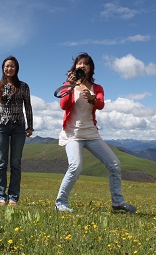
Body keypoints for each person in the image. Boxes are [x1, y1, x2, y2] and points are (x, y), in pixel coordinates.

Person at [54, 52, 136, 213]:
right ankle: (61, 203)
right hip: (72, 135)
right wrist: (69, 86)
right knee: (75, 166)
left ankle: (118, 202)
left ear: (90, 68)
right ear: (75, 67)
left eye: (85, 63)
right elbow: (63, 106)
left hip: (91, 134)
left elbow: (100, 104)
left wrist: (92, 98)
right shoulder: (68, 84)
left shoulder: (97, 88)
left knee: (114, 164)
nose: (82, 66)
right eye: (79, 63)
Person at [0, 56, 33, 206]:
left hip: (19, 126)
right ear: (3, 68)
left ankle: (13, 197)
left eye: (12, 66)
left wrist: (30, 126)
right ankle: (1, 196)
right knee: (1, 162)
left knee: (15, 162)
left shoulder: (24, 86)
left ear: (16, 68)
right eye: (7, 66)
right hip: (1, 126)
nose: (9, 69)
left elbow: (28, 107)